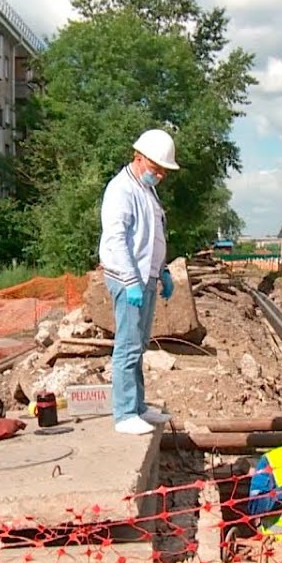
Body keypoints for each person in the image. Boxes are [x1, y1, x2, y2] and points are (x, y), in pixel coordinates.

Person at [98, 129, 180, 435]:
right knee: (128, 346)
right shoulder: (121, 190)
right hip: (128, 278)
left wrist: (163, 269)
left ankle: (139, 407)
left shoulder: (147, 191)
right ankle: (124, 413)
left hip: (147, 276)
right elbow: (117, 239)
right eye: (156, 169)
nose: (159, 175)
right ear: (138, 158)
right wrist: (132, 280)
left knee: (140, 345)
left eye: (163, 171)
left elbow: (152, 236)